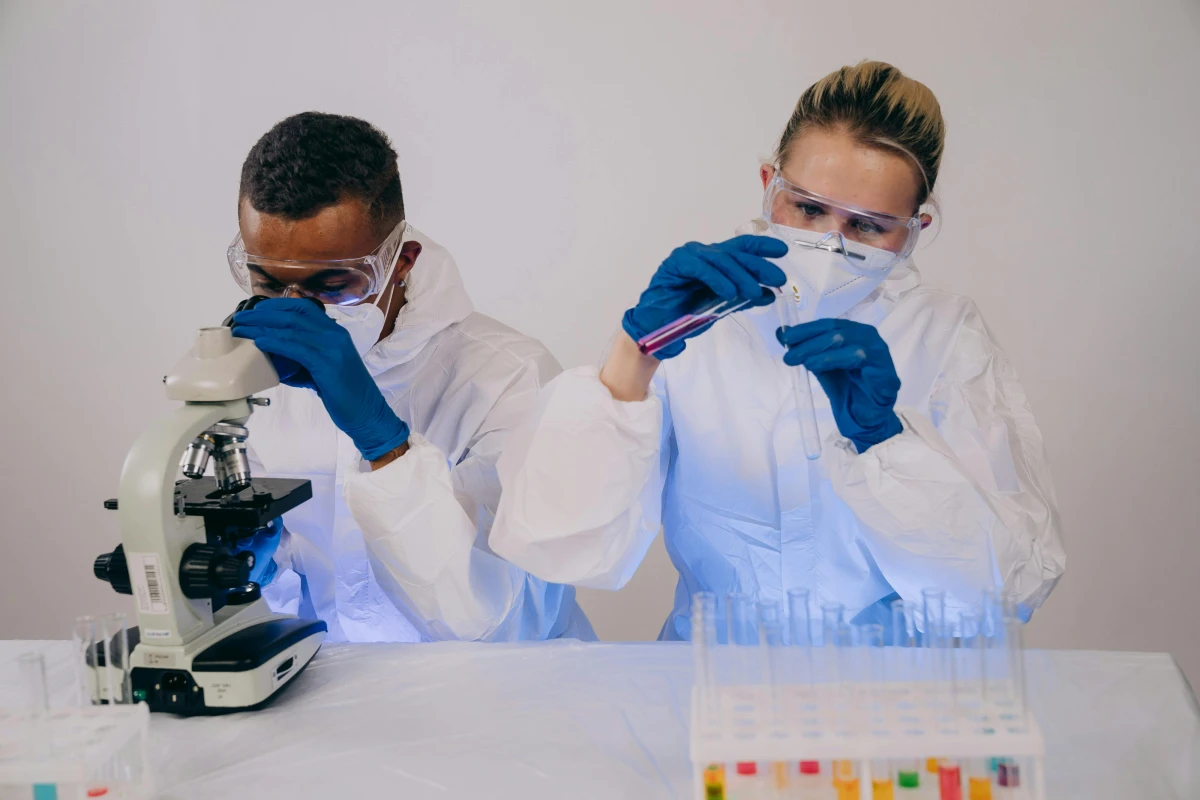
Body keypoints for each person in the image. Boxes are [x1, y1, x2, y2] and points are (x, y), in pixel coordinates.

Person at [491, 62, 1065, 640]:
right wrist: (632, 360)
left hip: (892, 686)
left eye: (868, 227)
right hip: (707, 678)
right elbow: (559, 545)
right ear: (770, 184)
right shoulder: (696, 317)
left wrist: (887, 442)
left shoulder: (943, 336)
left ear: (915, 228)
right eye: (809, 209)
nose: (829, 243)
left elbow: (1004, 593)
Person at [226, 111, 592, 642]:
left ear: (401, 261)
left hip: (493, 691)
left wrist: (385, 443)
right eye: (268, 282)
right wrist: (252, 572)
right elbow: (283, 592)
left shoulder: (511, 379)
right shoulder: (254, 376)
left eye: (333, 284)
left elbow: (507, 626)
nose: (297, 309)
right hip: (331, 685)